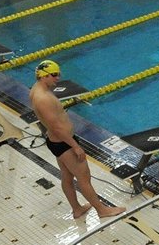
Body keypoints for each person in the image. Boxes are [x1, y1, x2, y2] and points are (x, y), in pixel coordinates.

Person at [28, 60, 125, 220]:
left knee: (67, 177)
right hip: (64, 143)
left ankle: (77, 209)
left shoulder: (36, 90)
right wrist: (75, 147)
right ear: (43, 76)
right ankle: (102, 210)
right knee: (83, 177)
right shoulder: (43, 98)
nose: (58, 78)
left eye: (58, 74)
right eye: (54, 75)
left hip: (57, 142)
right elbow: (56, 127)